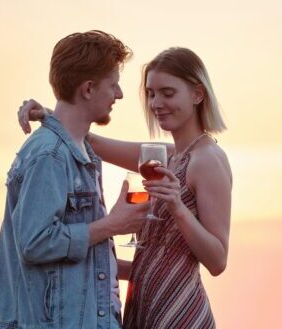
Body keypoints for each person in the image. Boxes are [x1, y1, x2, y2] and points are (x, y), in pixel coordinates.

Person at [18, 47, 232, 329]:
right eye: (151, 93)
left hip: (179, 312)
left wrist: (178, 208)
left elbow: (217, 260)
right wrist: (50, 114)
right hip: (144, 305)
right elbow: (93, 141)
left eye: (168, 93)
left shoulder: (208, 160)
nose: (156, 103)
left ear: (197, 94)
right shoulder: (168, 155)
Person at [0, 30, 148, 329]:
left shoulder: (80, 151)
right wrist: (112, 225)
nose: (119, 94)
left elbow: (84, 261)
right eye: (113, 85)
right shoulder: (49, 155)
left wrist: (152, 271)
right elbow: (35, 243)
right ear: (88, 89)